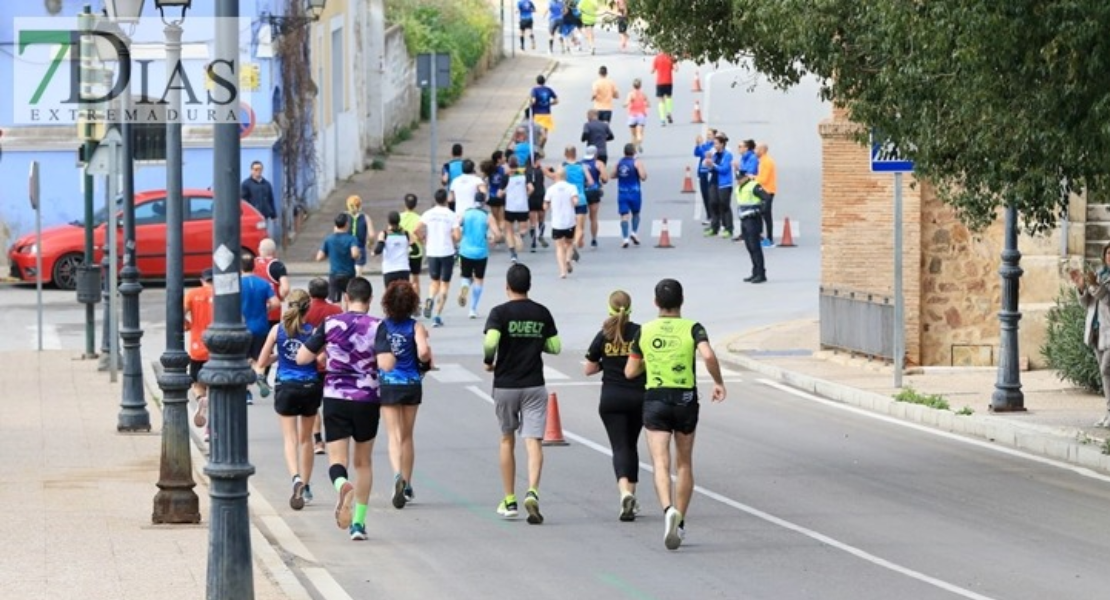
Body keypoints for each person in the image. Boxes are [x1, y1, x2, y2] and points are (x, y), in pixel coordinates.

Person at [624, 278, 726, 550]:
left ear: (656, 302)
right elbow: (709, 356)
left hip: (656, 398)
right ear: (682, 301)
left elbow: (630, 372)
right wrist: (718, 382)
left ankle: (667, 509)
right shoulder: (694, 328)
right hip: (685, 400)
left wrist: (653, 359)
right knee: (684, 464)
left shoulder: (644, 331)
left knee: (660, 463)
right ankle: (679, 522)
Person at [295, 277, 382, 542]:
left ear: (346, 297)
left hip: (335, 397)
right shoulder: (378, 326)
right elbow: (388, 363)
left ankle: (342, 485)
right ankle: (358, 524)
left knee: (337, 461)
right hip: (367, 398)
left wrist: (326, 354)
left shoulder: (331, 324)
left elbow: (302, 357)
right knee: (363, 462)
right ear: (370, 299)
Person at [483, 263, 561, 524]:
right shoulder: (542, 313)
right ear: (529, 286)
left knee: (507, 440)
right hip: (534, 384)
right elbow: (555, 346)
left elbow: (491, 340)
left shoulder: (499, 313)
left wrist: (488, 360)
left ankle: (509, 499)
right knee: (534, 442)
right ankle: (533, 491)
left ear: (507, 287)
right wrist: (536, 341)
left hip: (506, 385)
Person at [255, 289, 322, 511]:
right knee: (306, 440)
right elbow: (321, 358)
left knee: (289, 439)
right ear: (308, 308)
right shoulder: (313, 332)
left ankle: (295, 477)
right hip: (310, 386)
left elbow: (262, 361)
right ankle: (308, 484)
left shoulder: (277, 330)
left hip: (286, 386)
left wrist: (280, 356)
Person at [584, 290, 645, 521]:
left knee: (620, 447)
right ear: (630, 309)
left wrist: (606, 364)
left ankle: (625, 494)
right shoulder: (640, 332)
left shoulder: (603, 335)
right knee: (631, 445)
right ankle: (631, 496)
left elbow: (588, 368)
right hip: (638, 397)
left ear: (609, 309)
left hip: (611, 399)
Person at [375, 280, 433, 509]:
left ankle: (397, 476)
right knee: (408, 435)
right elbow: (424, 352)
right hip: (411, 383)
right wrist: (425, 359)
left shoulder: (383, 326)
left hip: (389, 383)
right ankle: (407, 484)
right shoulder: (415, 326)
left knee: (393, 435)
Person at [305, 277, 342, 455]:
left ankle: (318, 440)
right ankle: (335, 437)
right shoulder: (336, 310)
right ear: (327, 292)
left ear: (310, 293)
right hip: (332, 363)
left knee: (313, 406)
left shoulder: (306, 311)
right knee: (330, 403)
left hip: (311, 364)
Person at [1075, 248, 1110, 427]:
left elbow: (1107, 299)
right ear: (1104, 256)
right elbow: (1086, 303)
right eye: (1109, 253)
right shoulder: (1098, 273)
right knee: (1105, 375)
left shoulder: (1099, 279)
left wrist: (1096, 286)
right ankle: (1108, 413)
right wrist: (1081, 286)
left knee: (1106, 370)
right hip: (1096, 331)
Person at [413, 189, 458, 328]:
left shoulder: (428, 213)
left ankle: (430, 298)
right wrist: (453, 239)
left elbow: (416, 230)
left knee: (434, 282)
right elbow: (457, 236)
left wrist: (423, 240)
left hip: (432, 251)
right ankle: (437, 315)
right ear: (446, 200)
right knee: (445, 285)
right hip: (446, 252)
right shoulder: (451, 215)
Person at [455, 192, 502, 318]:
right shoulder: (487, 216)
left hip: (465, 251)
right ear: (484, 202)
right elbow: (497, 234)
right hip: (481, 252)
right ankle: (472, 309)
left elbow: (456, 225)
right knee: (479, 280)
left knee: (465, 276)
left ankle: (465, 287)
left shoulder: (466, 213)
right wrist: (493, 240)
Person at [241, 253, 280, 405]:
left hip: (241, 328)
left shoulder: (237, 284)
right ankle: (259, 376)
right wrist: (266, 309)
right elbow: (276, 302)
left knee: (242, 360)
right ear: (254, 266)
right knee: (259, 359)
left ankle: (246, 392)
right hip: (261, 326)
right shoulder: (263, 284)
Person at [254, 238, 290, 389]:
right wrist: (281, 296)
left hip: (251, 312)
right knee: (269, 346)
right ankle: (262, 375)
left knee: (252, 347)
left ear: (259, 250)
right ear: (274, 252)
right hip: (271, 313)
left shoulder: (251, 264)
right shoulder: (276, 265)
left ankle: (252, 377)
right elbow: (286, 288)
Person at [548, 145, 593, 261]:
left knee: (569, 226)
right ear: (575, 153)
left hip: (567, 200)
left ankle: (569, 249)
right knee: (580, 229)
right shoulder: (582, 166)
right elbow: (591, 181)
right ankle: (572, 247)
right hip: (581, 198)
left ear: (565, 154)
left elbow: (556, 180)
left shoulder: (562, 167)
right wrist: (584, 185)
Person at [185, 268, 215, 431]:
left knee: (197, 383)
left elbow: (179, 313)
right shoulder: (221, 295)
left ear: (202, 280)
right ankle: (210, 429)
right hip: (217, 348)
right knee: (215, 388)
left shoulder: (192, 294)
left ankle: (200, 398)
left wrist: (187, 324)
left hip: (197, 347)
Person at [734, 171, 773, 284]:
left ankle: (761, 274)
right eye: (737, 179)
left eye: (741, 178)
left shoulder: (754, 186)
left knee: (755, 247)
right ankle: (755, 272)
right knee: (749, 247)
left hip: (753, 220)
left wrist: (760, 211)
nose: (739, 180)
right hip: (744, 220)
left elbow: (767, 198)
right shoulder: (739, 188)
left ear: (746, 177)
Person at [316, 213, 360, 307]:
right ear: (347, 224)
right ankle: (347, 318)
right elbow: (355, 254)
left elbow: (319, 257)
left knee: (335, 302)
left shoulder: (329, 239)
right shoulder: (352, 239)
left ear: (335, 225)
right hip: (349, 274)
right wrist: (358, 255)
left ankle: (337, 319)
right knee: (349, 299)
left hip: (335, 274)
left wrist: (330, 253)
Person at [543, 167, 578, 278]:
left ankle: (562, 271)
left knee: (559, 246)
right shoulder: (572, 187)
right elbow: (575, 201)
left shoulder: (551, 189)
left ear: (556, 176)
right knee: (569, 243)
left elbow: (545, 205)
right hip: (569, 221)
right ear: (565, 176)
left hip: (557, 222)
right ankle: (568, 259)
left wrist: (546, 206)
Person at [612, 143, 647, 248]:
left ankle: (625, 238)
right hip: (635, 192)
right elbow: (643, 177)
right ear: (634, 152)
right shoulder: (637, 163)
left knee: (624, 216)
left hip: (622, 193)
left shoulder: (619, 163)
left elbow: (612, 175)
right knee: (636, 213)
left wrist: (621, 175)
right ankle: (634, 233)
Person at [703, 132, 735, 238]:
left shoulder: (728, 155)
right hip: (714, 182)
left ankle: (728, 228)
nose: (715, 146)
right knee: (713, 204)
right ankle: (714, 227)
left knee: (724, 205)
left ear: (722, 144)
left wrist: (714, 165)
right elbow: (710, 168)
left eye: (716, 144)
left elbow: (724, 169)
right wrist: (709, 164)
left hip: (724, 184)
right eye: (714, 144)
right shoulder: (715, 155)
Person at [373, 211, 415, 290]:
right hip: (403, 269)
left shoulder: (384, 234)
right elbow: (415, 249)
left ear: (388, 221)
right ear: (399, 221)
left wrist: (373, 253)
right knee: (404, 295)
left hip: (389, 270)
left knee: (390, 296)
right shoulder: (406, 234)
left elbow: (379, 249)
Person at [503, 155, 533, 263]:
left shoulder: (506, 176)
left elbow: (500, 192)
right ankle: (519, 235)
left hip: (510, 207)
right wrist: (526, 195)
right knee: (525, 227)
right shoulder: (524, 175)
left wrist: (503, 193)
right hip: (522, 206)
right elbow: (531, 188)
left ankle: (513, 253)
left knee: (508, 230)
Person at [399, 193, 425, 308]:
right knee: (415, 279)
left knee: (403, 280)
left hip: (402, 252)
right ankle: (416, 304)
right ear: (415, 205)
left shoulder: (399, 217)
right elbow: (418, 232)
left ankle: (404, 302)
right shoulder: (419, 218)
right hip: (416, 252)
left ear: (404, 204)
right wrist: (422, 240)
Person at [241, 160, 278, 239]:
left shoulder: (267, 184)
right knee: (254, 236)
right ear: (251, 170)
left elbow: (271, 199)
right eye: (256, 169)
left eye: (260, 169)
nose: (258, 171)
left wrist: (274, 215)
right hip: (252, 216)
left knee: (264, 235)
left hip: (265, 215)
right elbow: (243, 201)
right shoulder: (246, 184)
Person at [581, 145, 608, 249]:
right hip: (594, 191)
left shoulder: (580, 163)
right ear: (596, 154)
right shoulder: (598, 163)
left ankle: (580, 237)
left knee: (580, 217)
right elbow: (605, 179)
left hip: (582, 191)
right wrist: (601, 178)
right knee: (593, 217)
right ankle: (594, 239)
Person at [755, 142, 778, 247]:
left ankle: (769, 239)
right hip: (763, 191)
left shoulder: (767, 162)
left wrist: (752, 178)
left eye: (756, 149)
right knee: (761, 214)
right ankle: (761, 236)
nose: (755, 151)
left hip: (767, 192)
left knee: (767, 215)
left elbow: (763, 179)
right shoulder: (762, 161)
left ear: (762, 150)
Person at [346, 195, 376, 277]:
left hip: (346, 248)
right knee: (358, 274)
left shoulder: (344, 217)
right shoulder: (366, 218)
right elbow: (372, 235)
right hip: (359, 248)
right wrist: (370, 243)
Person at [483, 151, 509, 241]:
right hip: (501, 196)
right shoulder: (504, 169)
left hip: (492, 196)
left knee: (495, 217)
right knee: (502, 218)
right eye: (503, 157)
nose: (505, 158)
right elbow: (507, 182)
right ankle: (500, 233)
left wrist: (485, 194)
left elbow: (485, 182)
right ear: (499, 159)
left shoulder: (489, 169)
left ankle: (496, 235)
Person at [693, 130, 718, 227]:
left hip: (710, 173)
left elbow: (706, 155)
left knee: (711, 196)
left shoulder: (714, 146)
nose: (708, 136)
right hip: (702, 173)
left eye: (710, 135)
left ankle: (714, 216)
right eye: (707, 135)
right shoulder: (705, 144)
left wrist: (701, 146)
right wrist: (698, 144)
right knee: (704, 195)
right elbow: (696, 153)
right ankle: (709, 215)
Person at [526, 155, 549, 252]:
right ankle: (540, 235)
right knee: (541, 218)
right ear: (535, 161)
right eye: (539, 160)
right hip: (541, 196)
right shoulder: (541, 170)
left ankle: (533, 240)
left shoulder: (527, 171)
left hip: (532, 198)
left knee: (532, 221)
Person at [651, 51, 676, 126]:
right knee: (669, 97)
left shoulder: (657, 58)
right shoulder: (670, 57)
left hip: (660, 82)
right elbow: (676, 69)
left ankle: (662, 120)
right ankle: (669, 112)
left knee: (661, 101)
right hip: (668, 81)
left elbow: (652, 71)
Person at [624, 78, 649, 153]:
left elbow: (627, 103)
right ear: (640, 86)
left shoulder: (631, 94)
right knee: (639, 133)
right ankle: (639, 143)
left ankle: (633, 150)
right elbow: (648, 103)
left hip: (632, 116)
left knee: (633, 135)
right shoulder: (643, 94)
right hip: (641, 115)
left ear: (633, 86)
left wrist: (624, 105)